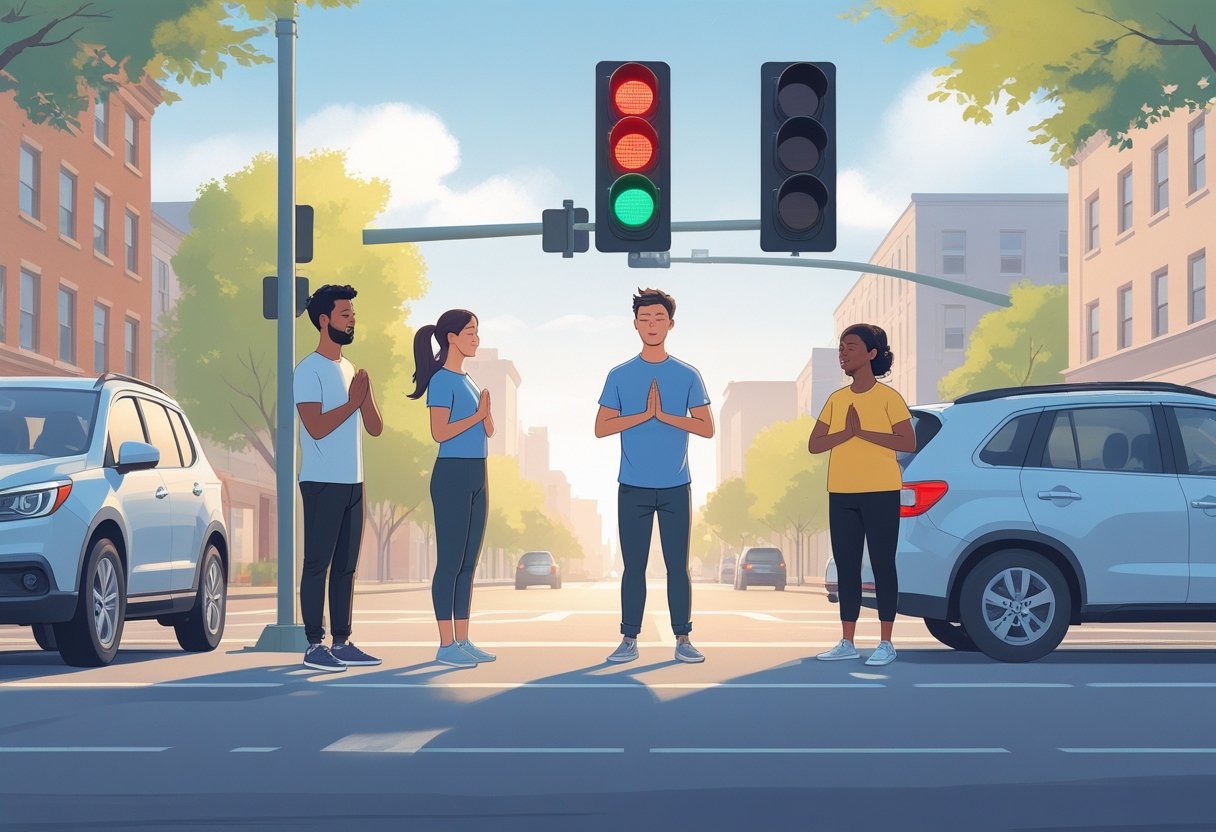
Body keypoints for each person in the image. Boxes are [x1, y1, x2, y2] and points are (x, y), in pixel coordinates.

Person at [595, 288, 714, 664]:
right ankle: (629, 639)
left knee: (678, 566)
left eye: (659, 318)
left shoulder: (687, 374)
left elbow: (706, 427)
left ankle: (683, 638)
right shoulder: (619, 374)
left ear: (671, 324)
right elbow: (601, 427)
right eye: (644, 319)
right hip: (632, 486)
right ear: (635, 324)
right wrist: (643, 415)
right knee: (634, 566)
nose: (651, 325)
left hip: (677, 485)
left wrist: (664, 416)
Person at [807, 323, 915, 667]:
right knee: (847, 567)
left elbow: (907, 442)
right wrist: (845, 433)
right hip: (841, 492)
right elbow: (815, 444)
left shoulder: (889, 398)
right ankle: (847, 640)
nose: (843, 354)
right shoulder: (837, 400)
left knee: (883, 564)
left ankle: (886, 642)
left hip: (881, 491)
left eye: (850, 347)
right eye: (840, 348)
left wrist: (863, 432)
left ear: (871, 353)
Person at [294, 284, 384, 673]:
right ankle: (315, 644)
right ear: (325, 320)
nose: (352, 320)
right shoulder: (308, 369)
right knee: (318, 562)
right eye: (345, 314)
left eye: (353, 314)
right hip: (320, 480)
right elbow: (314, 426)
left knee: (346, 565)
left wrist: (366, 397)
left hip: (353, 481)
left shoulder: (350, 369)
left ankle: (342, 640)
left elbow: (376, 429)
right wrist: (352, 401)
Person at [408, 309, 495, 669]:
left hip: (478, 472)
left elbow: (487, 431)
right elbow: (439, 433)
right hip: (452, 475)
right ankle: (446, 645)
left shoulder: (469, 379)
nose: (476, 338)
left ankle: (463, 638)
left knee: (468, 564)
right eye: (471, 332)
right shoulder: (443, 381)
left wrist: (485, 413)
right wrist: (478, 415)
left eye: (478, 331)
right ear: (451, 338)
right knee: (450, 562)